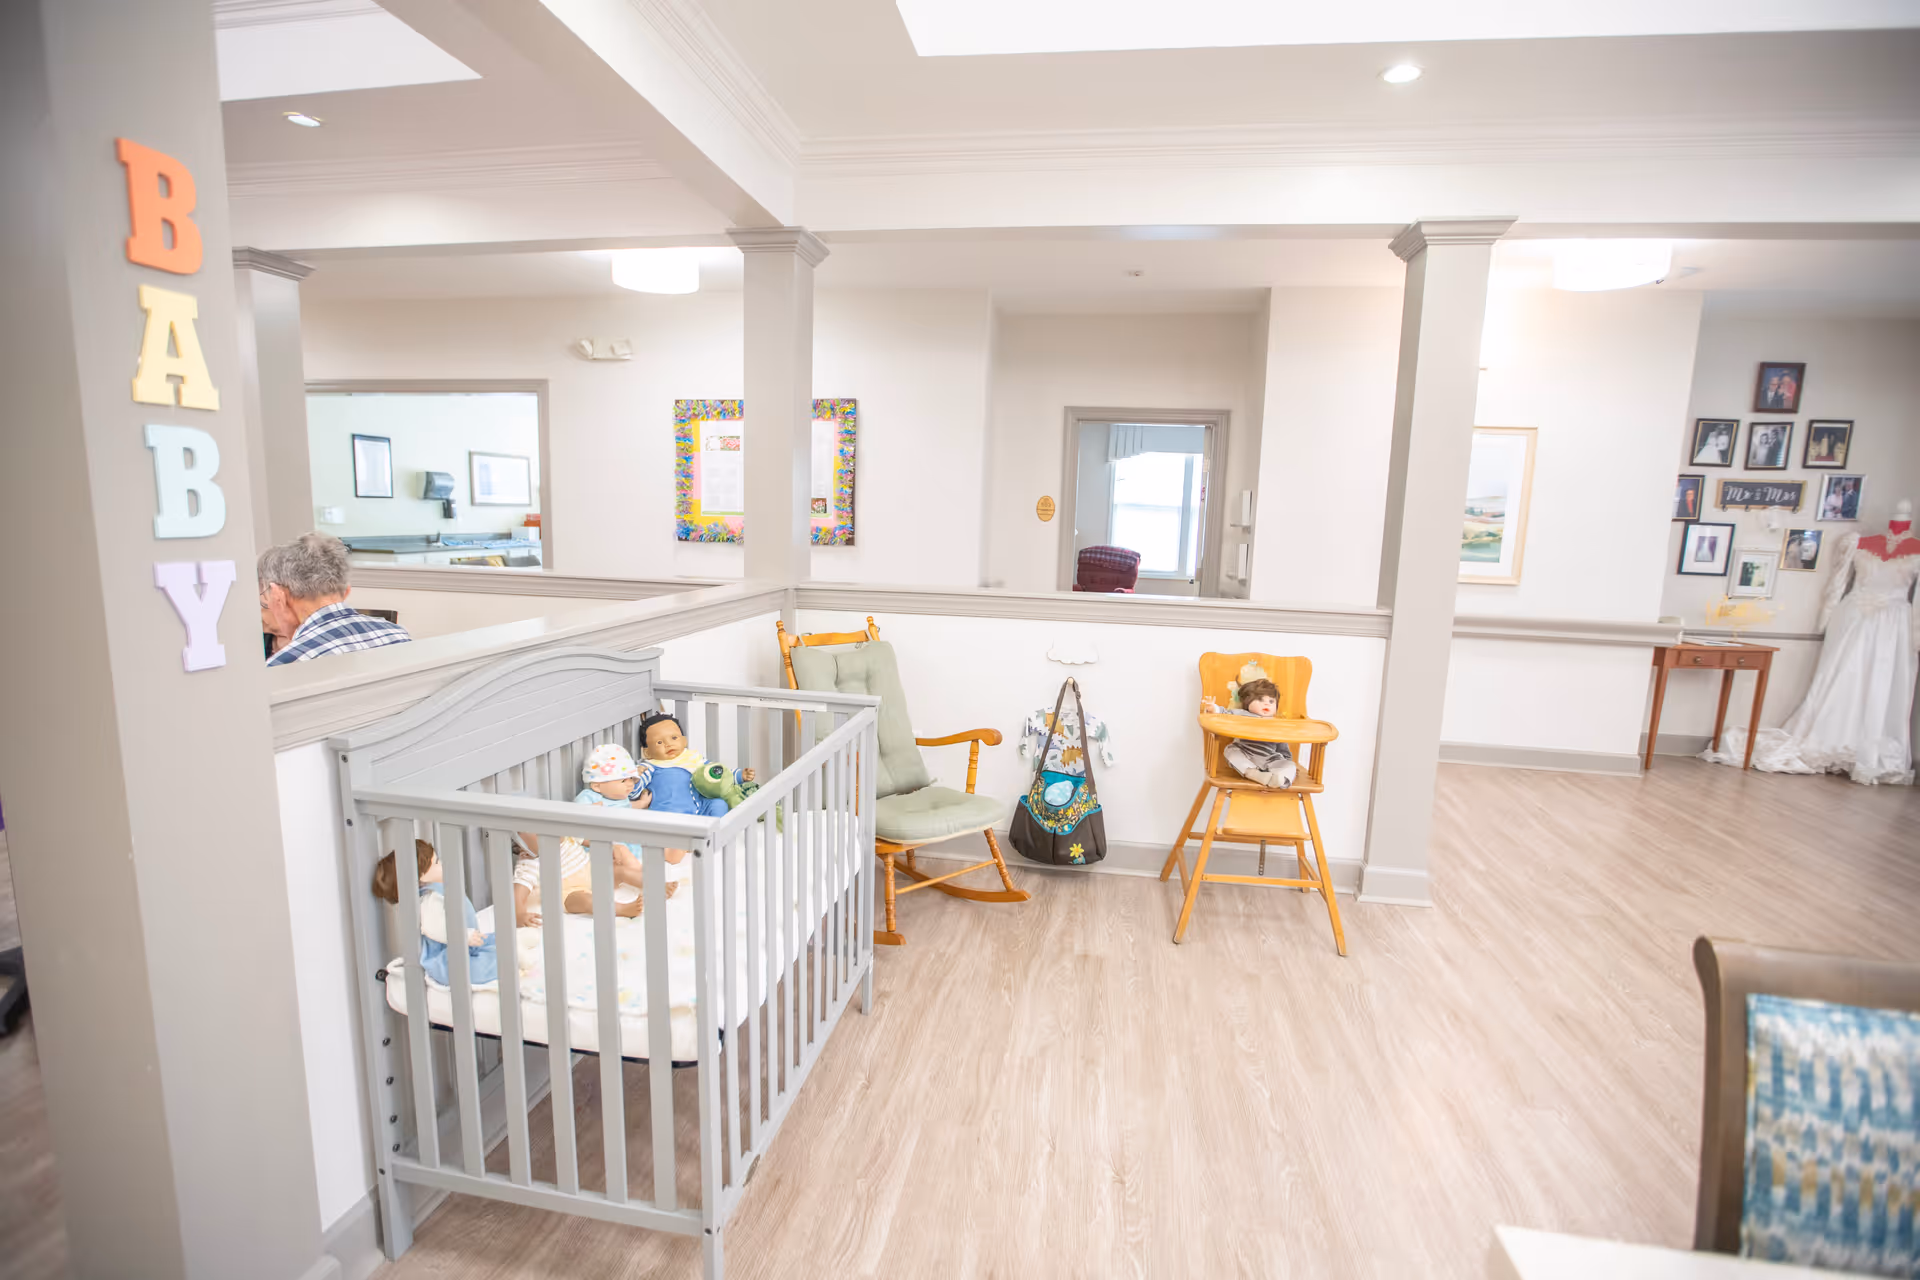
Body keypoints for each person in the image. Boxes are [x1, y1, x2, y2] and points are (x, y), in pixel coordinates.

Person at [259, 532, 410, 665]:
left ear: (279, 596)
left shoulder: (286, 664)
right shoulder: (397, 635)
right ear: (346, 591)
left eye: (265, 598)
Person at [1201, 677, 1298, 789]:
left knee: (1290, 765)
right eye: (1261, 700)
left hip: (1269, 758)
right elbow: (1225, 715)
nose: (1266, 704)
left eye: (1271, 701)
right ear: (1248, 702)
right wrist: (1212, 708)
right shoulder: (1243, 714)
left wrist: (1286, 760)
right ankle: (1253, 774)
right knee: (1231, 752)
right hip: (1246, 753)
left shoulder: (1277, 723)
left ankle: (1280, 779)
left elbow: (1282, 743)